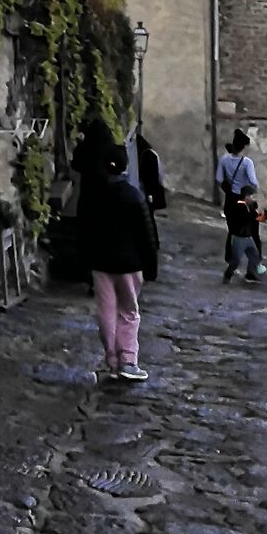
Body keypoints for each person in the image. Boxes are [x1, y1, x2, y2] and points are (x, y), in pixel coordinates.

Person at [84, 144, 159, 382]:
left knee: (106, 312)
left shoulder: (94, 195)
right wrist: (151, 267)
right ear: (125, 167)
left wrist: (85, 262)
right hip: (129, 264)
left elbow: (86, 231)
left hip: (101, 263)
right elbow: (146, 235)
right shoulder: (134, 196)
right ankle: (128, 360)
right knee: (128, 312)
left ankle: (112, 360)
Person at [216, 131, 265, 273]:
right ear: (244, 147)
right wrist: (259, 195)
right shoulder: (247, 162)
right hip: (245, 199)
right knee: (253, 231)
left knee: (233, 230)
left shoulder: (224, 159)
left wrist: (229, 189)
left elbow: (219, 179)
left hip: (231, 200)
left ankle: (230, 259)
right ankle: (256, 264)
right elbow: (253, 182)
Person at [135, 130, 166, 282]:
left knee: (150, 219)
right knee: (150, 218)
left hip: (151, 192)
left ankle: (155, 241)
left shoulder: (147, 156)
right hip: (152, 192)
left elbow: (151, 178)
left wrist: (149, 194)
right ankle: (155, 241)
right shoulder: (150, 153)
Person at [223, 189, 263, 284]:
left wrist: (260, 213)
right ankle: (228, 275)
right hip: (239, 238)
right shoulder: (238, 206)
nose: (252, 199)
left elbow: (257, 218)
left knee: (255, 255)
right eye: (251, 196)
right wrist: (255, 212)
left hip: (248, 237)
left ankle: (250, 274)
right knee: (236, 260)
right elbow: (246, 218)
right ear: (246, 196)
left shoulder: (250, 206)